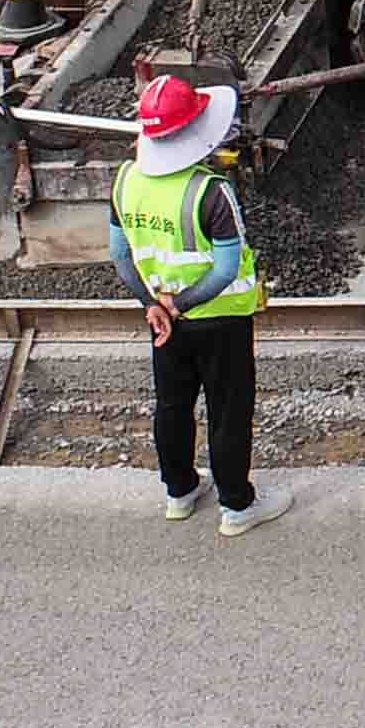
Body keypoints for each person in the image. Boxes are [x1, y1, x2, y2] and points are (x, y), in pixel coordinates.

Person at [114, 73, 270, 537]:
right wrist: (178, 305)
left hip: (162, 320)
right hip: (219, 318)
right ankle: (237, 507)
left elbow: (121, 256)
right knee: (228, 409)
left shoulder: (126, 180)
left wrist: (154, 306)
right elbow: (223, 272)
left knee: (173, 404)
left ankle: (179, 492)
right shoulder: (209, 190)